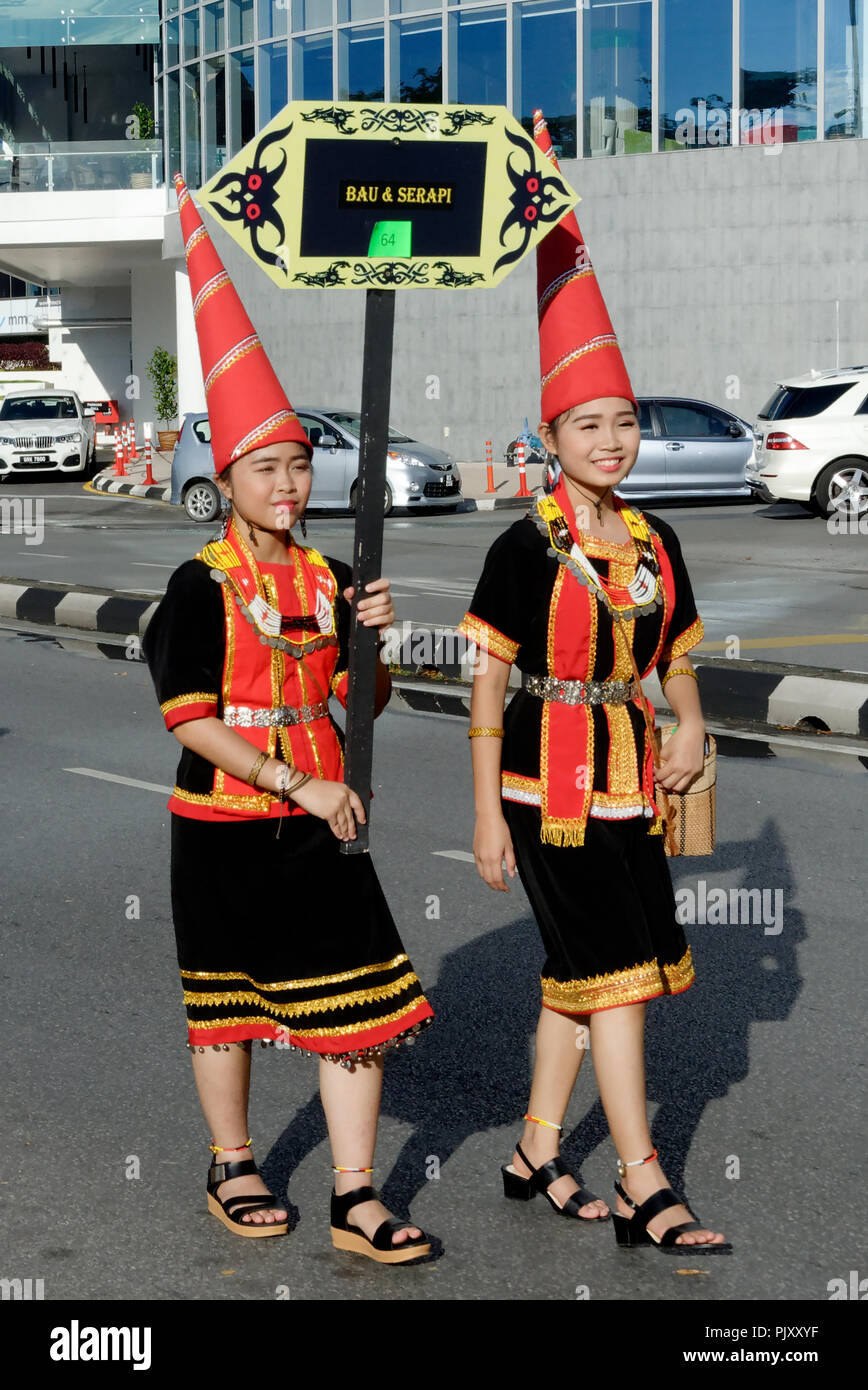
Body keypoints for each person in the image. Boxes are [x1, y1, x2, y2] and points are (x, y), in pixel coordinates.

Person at [141, 174, 435, 1265]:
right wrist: (289, 781)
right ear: (227, 476)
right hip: (228, 817)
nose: (290, 480)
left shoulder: (334, 571)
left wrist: (380, 648)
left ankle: (356, 1193)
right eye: (268, 465)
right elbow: (191, 721)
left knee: (358, 998)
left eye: (300, 463)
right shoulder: (198, 582)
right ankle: (234, 1159)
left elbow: (370, 705)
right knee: (228, 1003)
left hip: (331, 809)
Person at [456, 113, 730, 1254]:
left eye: (623, 421)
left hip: (634, 777)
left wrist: (691, 724)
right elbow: (484, 682)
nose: (611, 438)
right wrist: (484, 812)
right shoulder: (523, 550)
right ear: (548, 432)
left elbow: (674, 652)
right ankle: (641, 1181)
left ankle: (532, 1147)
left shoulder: (657, 536)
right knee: (614, 977)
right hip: (546, 782)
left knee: (584, 971)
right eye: (588, 423)